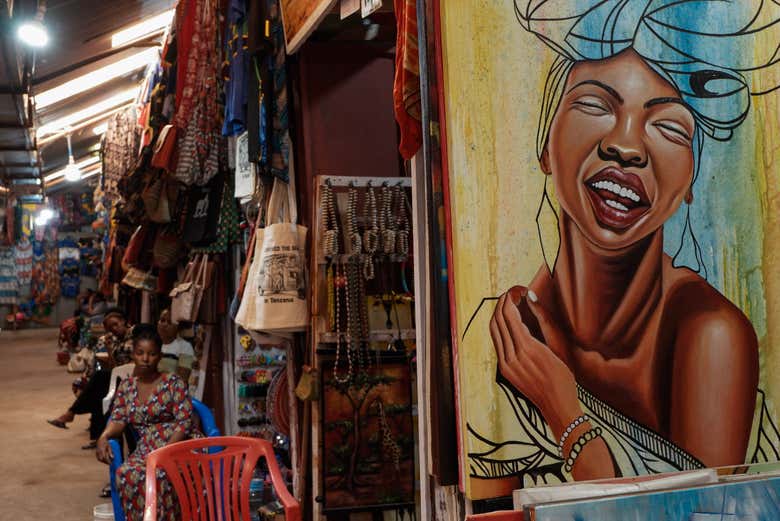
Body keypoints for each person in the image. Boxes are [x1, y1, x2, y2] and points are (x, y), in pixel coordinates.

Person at [463, 0, 780, 490]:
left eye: (669, 126)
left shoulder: (711, 335)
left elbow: (703, 514)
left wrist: (564, 414)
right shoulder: (507, 335)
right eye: (595, 104)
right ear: (545, 144)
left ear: (692, 176)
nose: (626, 146)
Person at [96, 324, 196, 521]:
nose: (145, 359)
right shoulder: (127, 386)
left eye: (151, 354)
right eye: (140, 353)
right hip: (147, 448)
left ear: (160, 356)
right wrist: (103, 436)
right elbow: (118, 418)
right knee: (126, 474)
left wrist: (164, 453)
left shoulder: (173, 382)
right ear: (133, 354)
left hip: (177, 445)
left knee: (159, 475)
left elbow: (184, 422)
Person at [47, 308, 133, 442]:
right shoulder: (115, 340)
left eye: (116, 324)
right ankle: (95, 435)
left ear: (123, 321)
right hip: (120, 377)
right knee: (98, 389)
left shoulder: (134, 335)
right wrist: (110, 348)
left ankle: (71, 414)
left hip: (133, 378)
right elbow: (114, 366)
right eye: (111, 328)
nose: (114, 329)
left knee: (99, 379)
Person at [157, 309, 195, 381]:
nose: (164, 325)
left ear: (178, 327)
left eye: (170, 322)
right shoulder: (152, 344)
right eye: (162, 320)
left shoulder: (185, 346)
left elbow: (182, 379)